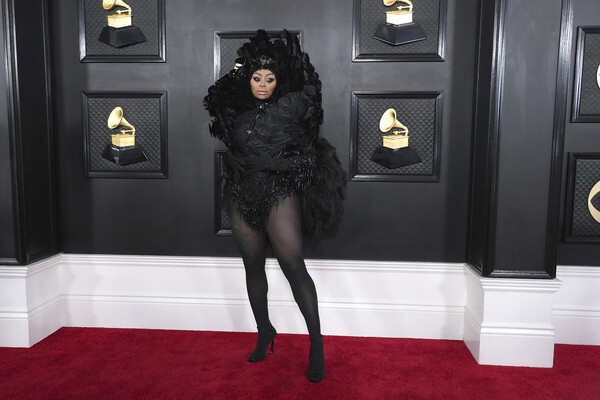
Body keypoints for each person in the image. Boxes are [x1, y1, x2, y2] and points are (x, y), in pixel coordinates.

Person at [204, 30, 346, 383]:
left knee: (293, 266)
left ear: (279, 81)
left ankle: (316, 343)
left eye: (270, 78)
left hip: (279, 192)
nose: (263, 84)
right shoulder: (237, 112)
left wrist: (269, 163)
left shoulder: (293, 108)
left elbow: (307, 158)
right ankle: (265, 331)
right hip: (241, 194)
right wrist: (242, 68)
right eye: (257, 78)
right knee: (252, 266)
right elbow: (219, 98)